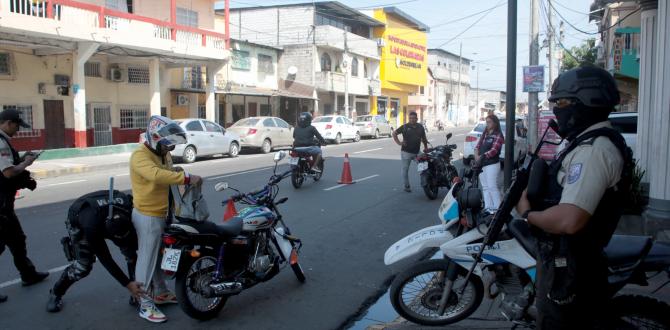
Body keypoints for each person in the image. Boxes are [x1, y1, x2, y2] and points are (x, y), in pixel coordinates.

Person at [516, 66, 632, 329]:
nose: (557, 108)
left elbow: (570, 220)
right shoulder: (583, 142)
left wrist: (527, 213)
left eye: (562, 102)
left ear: (587, 102)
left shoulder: (593, 150)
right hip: (566, 258)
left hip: (572, 266)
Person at [130, 115, 202, 323]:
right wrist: (186, 177)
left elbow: (167, 172)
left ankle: (161, 292)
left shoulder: (163, 154)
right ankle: (144, 304)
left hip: (164, 213)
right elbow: (156, 175)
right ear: (154, 139)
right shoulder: (139, 156)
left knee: (159, 257)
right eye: (166, 145)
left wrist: (179, 172)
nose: (169, 149)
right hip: (148, 215)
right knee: (146, 259)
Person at [47, 190, 144, 312]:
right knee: (83, 266)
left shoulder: (130, 208)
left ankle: (136, 293)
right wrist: (127, 284)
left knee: (131, 253)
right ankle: (56, 293)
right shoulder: (91, 227)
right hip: (80, 216)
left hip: (108, 214)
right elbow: (105, 258)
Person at [0, 109, 49, 303]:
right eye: (17, 125)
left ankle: (28, 274)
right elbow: (8, 173)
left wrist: (21, 160)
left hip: (5, 203)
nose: (18, 130)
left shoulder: (4, 141)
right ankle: (28, 274)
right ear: (8, 123)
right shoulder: (0, 141)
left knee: (17, 240)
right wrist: (26, 163)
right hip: (1, 204)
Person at [474, 115, 504, 211]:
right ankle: (488, 208)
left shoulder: (498, 135)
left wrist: (481, 157)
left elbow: (494, 150)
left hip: (492, 164)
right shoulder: (485, 134)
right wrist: (476, 157)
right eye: (486, 122)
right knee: (485, 187)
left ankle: (498, 209)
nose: (487, 124)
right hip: (482, 164)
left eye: (489, 122)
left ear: (495, 123)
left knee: (492, 186)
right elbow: (477, 146)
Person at [393, 111, 428, 192]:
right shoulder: (405, 127)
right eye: (410, 118)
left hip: (417, 152)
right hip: (406, 153)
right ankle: (407, 186)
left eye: (413, 118)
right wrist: (399, 143)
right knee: (405, 170)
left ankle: (425, 183)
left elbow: (424, 138)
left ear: (417, 119)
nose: (412, 120)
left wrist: (426, 147)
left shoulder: (420, 127)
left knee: (423, 167)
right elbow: (394, 133)